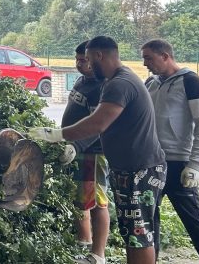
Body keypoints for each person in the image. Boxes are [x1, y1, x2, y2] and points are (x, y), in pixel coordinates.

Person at [29, 36, 165, 264]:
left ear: (100, 55)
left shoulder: (120, 84)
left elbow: (98, 123)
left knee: (139, 233)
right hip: (128, 168)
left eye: (90, 59)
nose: (89, 65)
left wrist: (58, 135)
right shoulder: (119, 79)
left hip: (140, 170)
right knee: (132, 232)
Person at [141, 39, 199, 264]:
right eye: (144, 58)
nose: (145, 63)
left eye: (149, 58)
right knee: (149, 219)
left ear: (165, 56)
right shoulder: (151, 83)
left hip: (179, 165)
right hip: (151, 162)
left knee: (194, 219)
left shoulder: (192, 83)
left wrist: (195, 165)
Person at [60, 41, 110, 264]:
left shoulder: (102, 87)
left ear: (95, 60)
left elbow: (100, 126)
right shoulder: (82, 81)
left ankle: (98, 254)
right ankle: (83, 241)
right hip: (76, 148)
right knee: (80, 196)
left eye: (84, 60)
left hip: (94, 152)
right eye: (77, 60)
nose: (79, 64)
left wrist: (77, 145)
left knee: (97, 200)